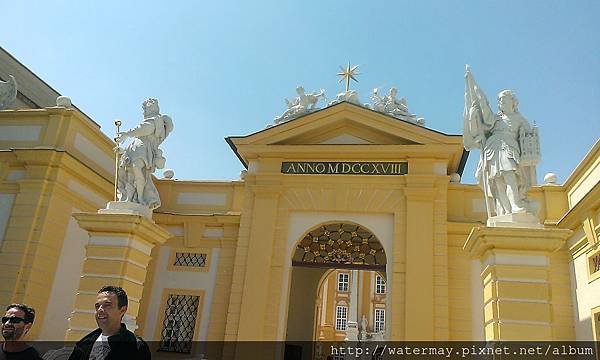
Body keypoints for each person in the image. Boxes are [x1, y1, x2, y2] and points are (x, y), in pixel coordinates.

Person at [464, 66, 539, 217]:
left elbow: (528, 138)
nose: (501, 102)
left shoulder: (520, 120)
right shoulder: (496, 118)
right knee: (498, 184)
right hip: (493, 148)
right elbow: (484, 108)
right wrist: (474, 88)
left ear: (513, 102)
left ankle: (516, 205)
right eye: (499, 101)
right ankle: (504, 211)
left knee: (510, 177)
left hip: (509, 148)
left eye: (504, 100)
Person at [116, 98, 173, 210]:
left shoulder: (155, 121)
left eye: (146, 108)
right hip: (134, 148)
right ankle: (130, 198)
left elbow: (144, 129)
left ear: (152, 108)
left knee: (136, 169)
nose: (144, 111)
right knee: (129, 174)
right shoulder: (154, 120)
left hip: (142, 149)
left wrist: (126, 134)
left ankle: (140, 198)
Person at [68, 286, 150, 360]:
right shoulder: (84, 344)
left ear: (122, 310)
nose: (100, 310)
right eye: (97, 306)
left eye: (107, 305)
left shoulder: (136, 346)